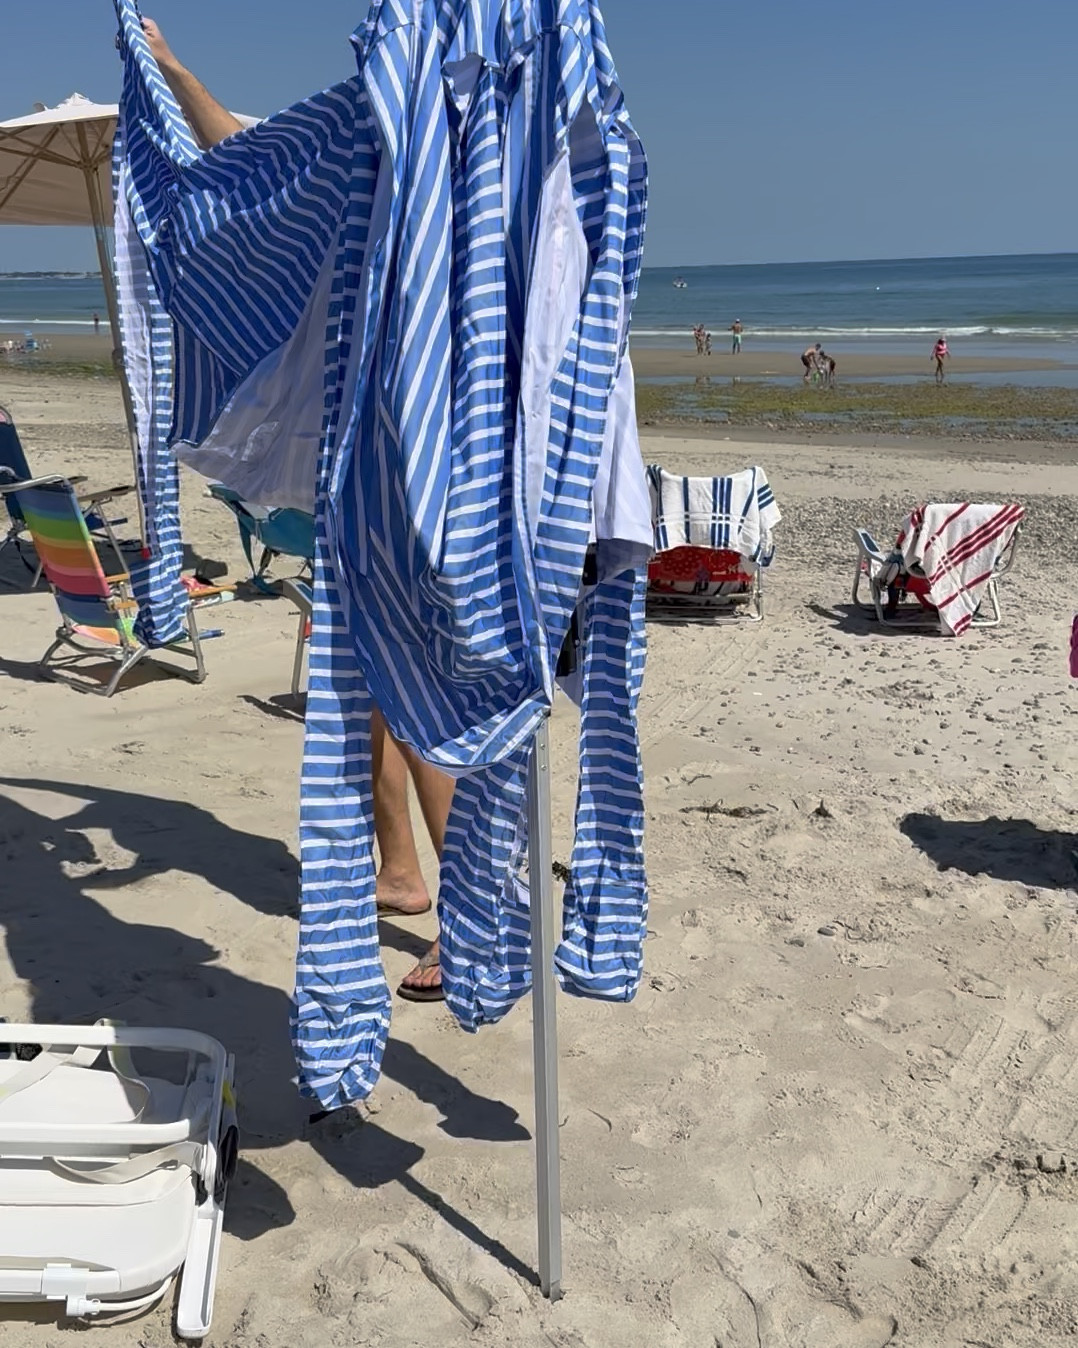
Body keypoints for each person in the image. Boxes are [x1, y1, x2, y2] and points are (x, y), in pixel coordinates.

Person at [140, 16, 453, 1001]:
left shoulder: (455, 160)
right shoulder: (356, 151)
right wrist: (175, 70)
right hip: (346, 464)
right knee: (363, 685)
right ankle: (400, 871)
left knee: (416, 694)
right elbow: (247, 156)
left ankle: (476, 913)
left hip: (412, 464)